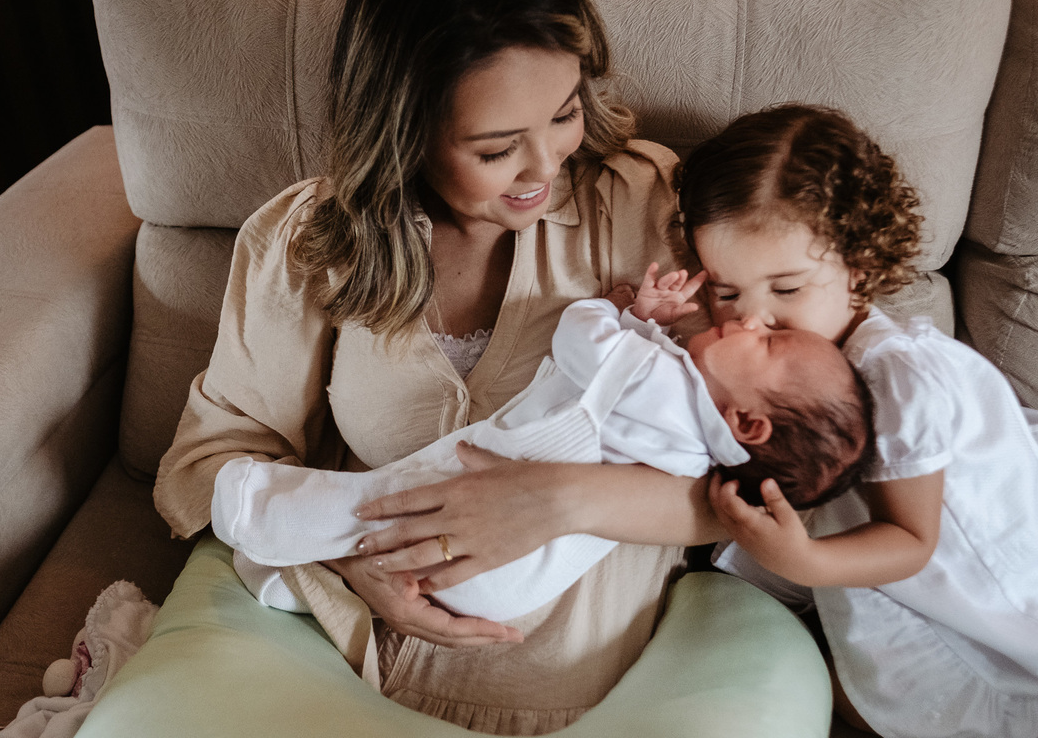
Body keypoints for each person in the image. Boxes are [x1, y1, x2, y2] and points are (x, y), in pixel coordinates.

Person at [155, 0, 730, 732]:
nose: (544, 168)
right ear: (405, 131)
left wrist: (558, 501)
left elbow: (763, 473)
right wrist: (356, 565)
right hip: (336, 665)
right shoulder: (308, 242)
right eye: (495, 148)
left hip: (579, 699)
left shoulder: (647, 207)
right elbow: (206, 462)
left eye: (563, 114)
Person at [674, 103, 1038, 737]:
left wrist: (804, 562)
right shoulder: (783, 362)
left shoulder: (900, 377)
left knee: (917, 698)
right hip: (884, 562)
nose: (752, 320)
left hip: (966, 577)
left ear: (858, 269)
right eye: (728, 293)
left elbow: (912, 541)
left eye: (786, 290)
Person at [212, 263, 874, 622]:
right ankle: (300, 588)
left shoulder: (663, 382)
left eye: (768, 340)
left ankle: (252, 508)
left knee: (371, 505)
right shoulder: (699, 453)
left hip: (486, 523)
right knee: (378, 531)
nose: (750, 316)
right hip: (515, 590)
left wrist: (624, 312)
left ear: (749, 426)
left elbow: (580, 340)